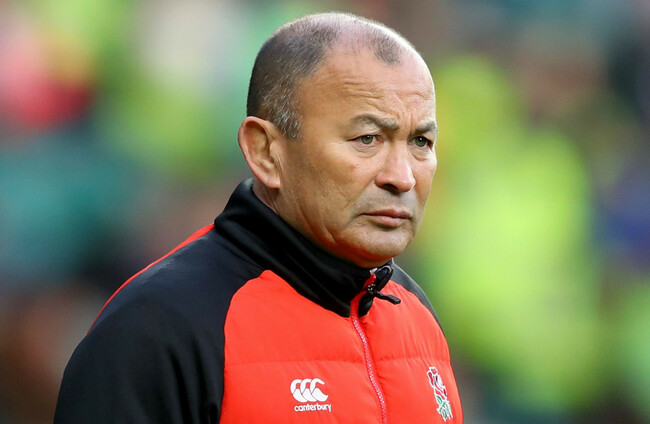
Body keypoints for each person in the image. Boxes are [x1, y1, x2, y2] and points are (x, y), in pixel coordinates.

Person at [54, 12, 463, 423]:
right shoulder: (158, 328)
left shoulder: (417, 316)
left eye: (420, 142)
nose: (403, 177)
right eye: (367, 138)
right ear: (266, 152)